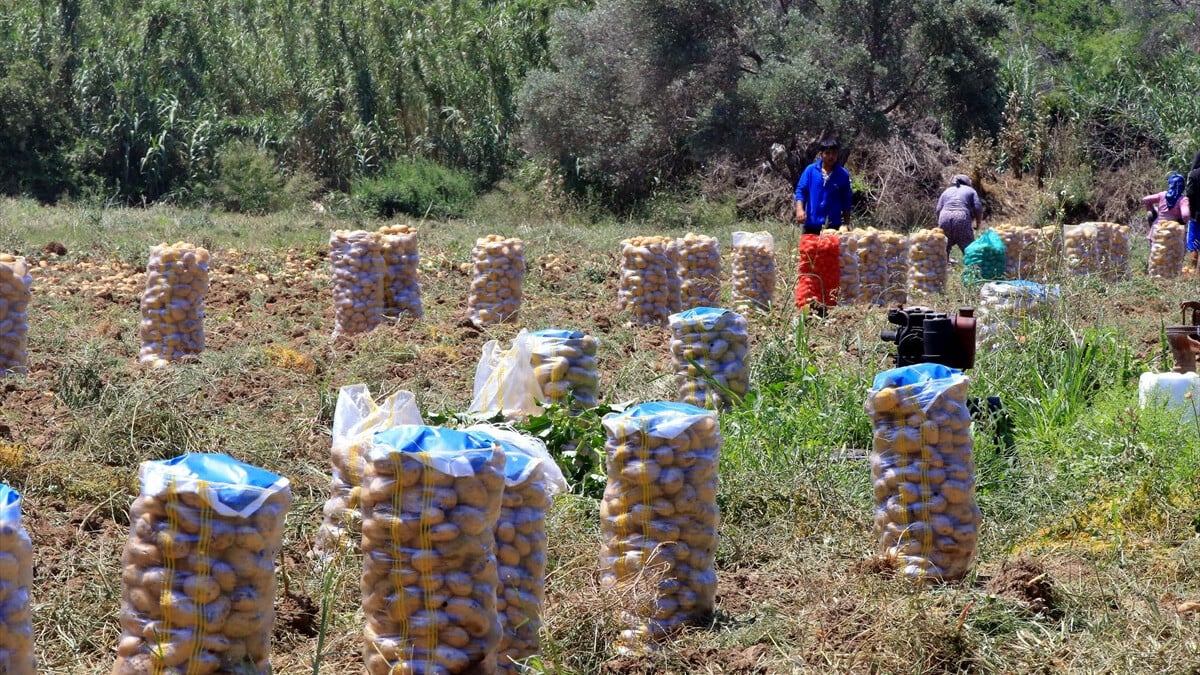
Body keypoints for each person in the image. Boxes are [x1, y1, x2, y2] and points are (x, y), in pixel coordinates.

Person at [794, 139, 853, 236]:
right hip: (811, 224)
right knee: (808, 250)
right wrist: (800, 210)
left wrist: (846, 224)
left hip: (833, 227)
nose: (831, 156)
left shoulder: (843, 174)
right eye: (827, 153)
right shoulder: (810, 170)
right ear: (821, 154)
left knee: (830, 251)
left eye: (834, 153)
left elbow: (846, 200)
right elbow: (801, 191)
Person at [935, 174, 984, 255]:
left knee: (944, 248)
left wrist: (940, 223)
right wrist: (978, 223)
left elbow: (938, 209)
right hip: (961, 217)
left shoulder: (946, 191)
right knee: (969, 249)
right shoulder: (971, 190)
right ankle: (973, 267)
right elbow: (978, 208)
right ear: (967, 183)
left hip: (944, 216)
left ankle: (943, 266)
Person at [1143, 172, 1191, 249]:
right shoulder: (1183, 200)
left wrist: (1152, 211)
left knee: (1156, 257)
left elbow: (1145, 199)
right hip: (1173, 233)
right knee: (1173, 258)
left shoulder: (1162, 195)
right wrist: (1181, 221)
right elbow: (1185, 215)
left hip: (1157, 230)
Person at [1186, 152, 1200, 270]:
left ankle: (1194, 271)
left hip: (1196, 215)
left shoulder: (1194, 174)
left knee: (1195, 244)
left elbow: (1189, 194)